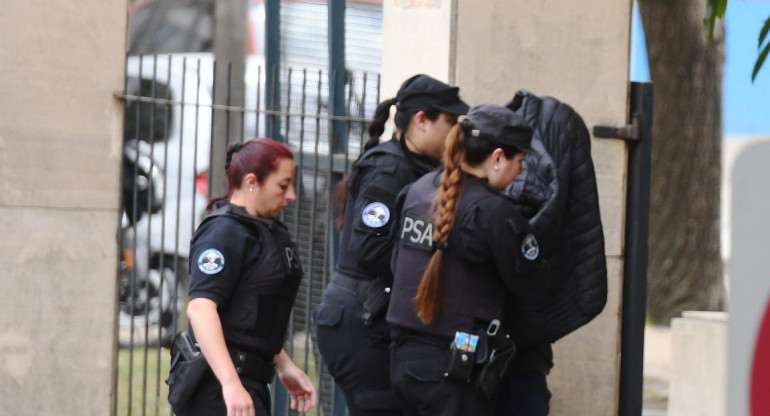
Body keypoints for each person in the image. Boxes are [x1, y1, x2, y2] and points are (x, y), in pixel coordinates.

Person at [313, 74, 469, 416]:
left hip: (371, 315)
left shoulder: (416, 166)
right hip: (361, 319)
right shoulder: (389, 170)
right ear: (422, 120)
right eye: (450, 121)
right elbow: (370, 249)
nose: (456, 132)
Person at [386, 104, 548, 416]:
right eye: (521, 161)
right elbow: (533, 288)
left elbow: (396, 266)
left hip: (404, 362)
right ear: (498, 157)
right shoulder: (496, 214)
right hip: (457, 371)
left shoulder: (417, 191)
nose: (522, 172)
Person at [172, 138, 317, 416]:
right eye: (283, 186)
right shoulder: (224, 233)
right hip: (217, 390)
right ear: (252, 181)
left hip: (250, 382)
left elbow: (247, 316)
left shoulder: (263, 231)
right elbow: (201, 309)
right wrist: (230, 385)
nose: (292, 196)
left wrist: (283, 364)